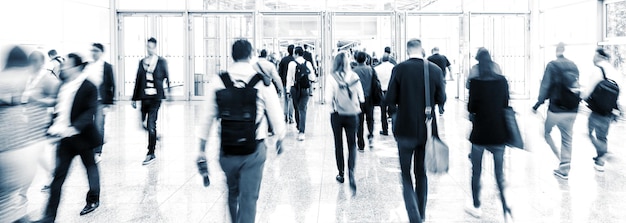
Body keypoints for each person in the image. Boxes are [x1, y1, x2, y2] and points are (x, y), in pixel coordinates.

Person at [197, 39, 285, 223]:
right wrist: (280, 137)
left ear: (232, 55)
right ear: (251, 54)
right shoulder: (260, 82)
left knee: (233, 192)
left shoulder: (219, 80)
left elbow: (206, 117)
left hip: (227, 150)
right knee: (249, 198)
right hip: (254, 149)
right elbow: (276, 113)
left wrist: (201, 149)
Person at [386, 39, 445, 223]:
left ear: (407, 50)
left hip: (404, 128)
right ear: (422, 50)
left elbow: (390, 99)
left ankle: (414, 217)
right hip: (426, 129)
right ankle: (422, 213)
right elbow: (441, 98)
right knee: (421, 173)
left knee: (405, 174)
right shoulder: (434, 70)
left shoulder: (399, 69)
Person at [40, 53, 102, 222]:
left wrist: (73, 128)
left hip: (83, 137)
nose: (62, 68)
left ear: (76, 67)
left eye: (66, 65)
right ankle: (48, 217)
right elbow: (59, 110)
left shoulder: (89, 86)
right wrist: (52, 128)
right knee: (58, 177)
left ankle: (93, 199)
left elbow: (90, 112)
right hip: (65, 140)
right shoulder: (62, 85)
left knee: (90, 167)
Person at [0, 46, 49, 223]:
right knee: (10, 200)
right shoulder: (23, 77)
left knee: (7, 202)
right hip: (20, 147)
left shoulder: (7, 78)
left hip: (12, 147)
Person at [465, 47, 513, 223]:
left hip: (479, 133)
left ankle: (477, 206)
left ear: (478, 62)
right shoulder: (502, 81)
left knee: (476, 171)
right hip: (499, 133)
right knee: (499, 174)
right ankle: (506, 207)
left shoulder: (476, 82)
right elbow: (505, 103)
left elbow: (471, 108)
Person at [532, 42, 580, 180]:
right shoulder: (574, 66)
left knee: (546, 133)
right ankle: (564, 167)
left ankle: (559, 157)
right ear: (564, 50)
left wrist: (537, 104)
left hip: (556, 110)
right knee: (567, 139)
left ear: (556, 51)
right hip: (572, 110)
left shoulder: (552, 65)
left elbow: (545, 86)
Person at [326, 51, 364, 195]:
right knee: (352, 143)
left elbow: (328, 98)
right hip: (352, 114)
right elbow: (361, 98)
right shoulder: (354, 76)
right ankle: (351, 172)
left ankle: (341, 173)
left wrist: (334, 107)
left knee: (338, 143)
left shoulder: (331, 77)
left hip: (337, 114)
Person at [131, 37, 171, 165]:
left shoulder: (161, 62)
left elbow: (167, 77)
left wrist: (169, 92)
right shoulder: (141, 62)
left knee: (151, 124)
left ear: (155, 47)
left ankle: (151, 152)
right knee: (142, 124)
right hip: (144, 97)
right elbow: (138, 80)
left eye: (152, 47)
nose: (149, 49)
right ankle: (155, 137)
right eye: (148, 46)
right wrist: (134, 98)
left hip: (155, 98)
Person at [582, 48, 622, 172]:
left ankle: (603, 153)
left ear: (599, 56)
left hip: (597, 110)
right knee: (602, 137)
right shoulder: (613, 70)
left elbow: (589, 89)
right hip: (609, 111)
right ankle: (600, 161)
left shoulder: (598, 69)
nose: (593, 58)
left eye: (594, 55)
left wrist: (581, 97)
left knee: (589, 133)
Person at [27, 51, 61, 192]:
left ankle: (53, 176)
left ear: (41, 62)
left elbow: (57, 99)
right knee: (35, 153)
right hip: (28, 121)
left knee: (37, 152)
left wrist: (39, 101)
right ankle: (52, 176)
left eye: (35, 61)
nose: (32, 64)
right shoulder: (28, 77)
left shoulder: (48, 79)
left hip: (41, 121)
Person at [85, 43, 115, 163]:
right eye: (92, 50)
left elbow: (111, 84)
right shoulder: (87, 66)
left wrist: (109, 103)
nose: (94, 53)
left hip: (100, 101)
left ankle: (97, 152)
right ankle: (90, 147)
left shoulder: (107, 67)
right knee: (87, 125)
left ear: (102, 53)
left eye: (96, 51)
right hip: (87, 101)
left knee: (98, 125)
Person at [286, 46, 316, 141]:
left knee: (296, 108)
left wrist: (287, 91)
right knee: (303, 109)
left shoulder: (291, 64)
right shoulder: (308, 63)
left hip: (294, 89)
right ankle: (302, 132)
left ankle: (299, 126)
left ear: (296, 53)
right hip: (305, 89)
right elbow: (312, 78)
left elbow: (289, 78)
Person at [353, 51, 376, 151]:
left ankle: (360, 143)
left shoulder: (354, 71)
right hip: (369, 98)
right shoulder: (371, 70)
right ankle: (370, 135)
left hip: (357, 99)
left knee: (359, 121)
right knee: (370, 119)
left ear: (356, 59)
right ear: (366, 59)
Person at [374, 55, 395, 136]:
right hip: (391, 91)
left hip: (381, 91)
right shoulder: (393, 67)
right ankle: (394, 129)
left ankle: (385, 129)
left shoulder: (377, 69)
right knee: (393, 111)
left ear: (381, 59)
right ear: (389, 59)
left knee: (383, 112)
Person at [427, 47, 451, 115]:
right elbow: (449, 67)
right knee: (442, 92)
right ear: (438, 50)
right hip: (442, 78)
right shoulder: (443, 57)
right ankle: (441, 107)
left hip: (431, 79)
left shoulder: (429, 58)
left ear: (432, 51)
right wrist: (451, 75)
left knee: (432, 93)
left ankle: (433, 107)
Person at [278, 45, 295, 123]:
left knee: (285, 100)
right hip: (292, 84)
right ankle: (291, 117)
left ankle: (285, 116)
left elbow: (279, 72)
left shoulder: (283, 60)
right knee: (291, 100)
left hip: (284, 83)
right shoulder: (294, 60)